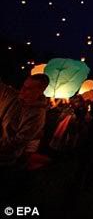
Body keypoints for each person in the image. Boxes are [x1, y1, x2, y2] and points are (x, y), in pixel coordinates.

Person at [0, 74, 49, 203]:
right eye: (23, 86)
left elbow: (18, 141)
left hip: (5, 160)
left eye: (28, 89)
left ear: (40, 91)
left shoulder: (37, 115)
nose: (22, 90)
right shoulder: (13, 96)